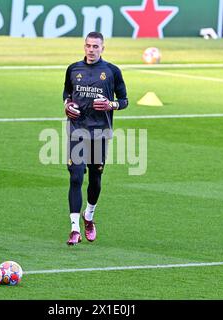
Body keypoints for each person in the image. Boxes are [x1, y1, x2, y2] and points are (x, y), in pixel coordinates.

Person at [62, 31, 128, 245]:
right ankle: (74, 229)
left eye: (95, 46)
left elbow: (124, 100)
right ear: (84, 46)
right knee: (75, 176)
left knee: (95, 178)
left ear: (102, 48)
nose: (91, 50)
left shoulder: (112, 71)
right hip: (77, 131)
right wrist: (67, 105)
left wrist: (112, 105)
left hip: (100, 132)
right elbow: (67, 93)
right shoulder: (73, 69)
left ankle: (88, 216)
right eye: (88, 46)